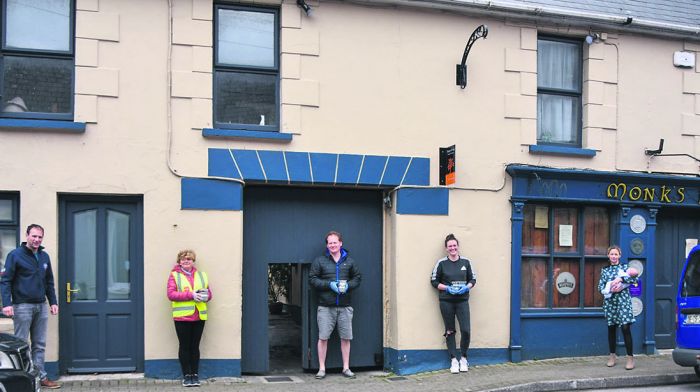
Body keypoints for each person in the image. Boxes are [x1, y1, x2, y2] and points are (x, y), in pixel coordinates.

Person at [0, 224, 61, 389]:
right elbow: (5, 281)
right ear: (27, 235)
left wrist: (53, 302)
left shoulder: (44, 256)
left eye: (40, 237)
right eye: (34, 236)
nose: (36, 240)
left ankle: (41, 377)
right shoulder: (15, 255)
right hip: (22, 306)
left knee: (39, 344)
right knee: (21, 344)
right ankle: (21, 380)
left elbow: (49, 282)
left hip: (41, 306)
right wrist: (7, 304)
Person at [309, 231, 361, 380]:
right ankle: (321, 369)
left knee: (346, 338)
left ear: (340, 243)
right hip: (325, 307)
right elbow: (312, 279)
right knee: (323, 337)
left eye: (335, 242)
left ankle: (346, 368)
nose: (332, 245)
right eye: (330, 243)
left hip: (345, 306)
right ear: (327, 245)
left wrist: (348, 286)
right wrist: (329, 284)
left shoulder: (349, 261)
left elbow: (358, 278)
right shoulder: (320, 261)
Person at [430, 233, 477, 374]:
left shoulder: (466, 262)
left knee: (466, 330)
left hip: (462, 301)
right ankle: (453, 360)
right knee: (450, 331)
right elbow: (433, 281)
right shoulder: (441, 263)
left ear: (458, 246)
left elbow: (473, 279)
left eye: (454, 245)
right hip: (446, 301)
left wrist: (466, 287)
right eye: (450, 246)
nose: (452, 248)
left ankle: (463, 358)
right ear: (446, 248)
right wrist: (447, 288)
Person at [167, 249, 212, 387]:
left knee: (195, 347)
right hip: (182, 318)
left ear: (193, 261)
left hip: (199, 316)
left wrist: (205, 296)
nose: (186, 261)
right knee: (185, 346)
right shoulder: (174, 275)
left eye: (189, 259)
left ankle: (195, 375)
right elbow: (171, 294)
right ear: (179, 262)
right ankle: (187, 375)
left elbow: (209, 294)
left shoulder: (202, 275)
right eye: (183, 259)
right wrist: (191, 295)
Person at [598, 245, 639, 370]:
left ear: (619, 256)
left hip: (623, 302)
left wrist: (621, 279)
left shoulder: (625, 268)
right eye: (612, 254)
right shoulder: (605, 270)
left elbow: (635, 279)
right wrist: (610, 289)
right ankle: (612, 356)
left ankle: (630, 358)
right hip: (611, 302)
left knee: (626, 328)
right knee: (612, 328)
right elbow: (600, 287)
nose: (614, 256)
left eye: (616, 254)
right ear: (608, 256)